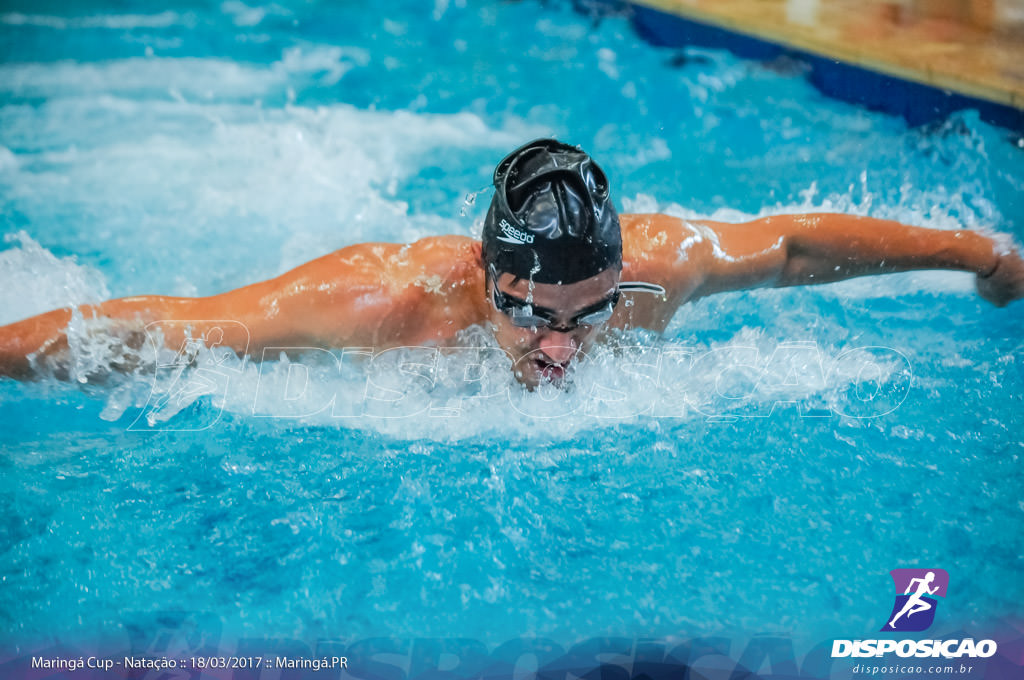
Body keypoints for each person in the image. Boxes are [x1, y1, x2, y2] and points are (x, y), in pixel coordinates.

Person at [0, 138, 1021, 387]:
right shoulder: (384, 302)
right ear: (484, 277)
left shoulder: (656, 273)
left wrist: (982, 254)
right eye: (532, 315)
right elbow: (166, 325)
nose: (560, 349)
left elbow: (795, 245)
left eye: (588, 314)